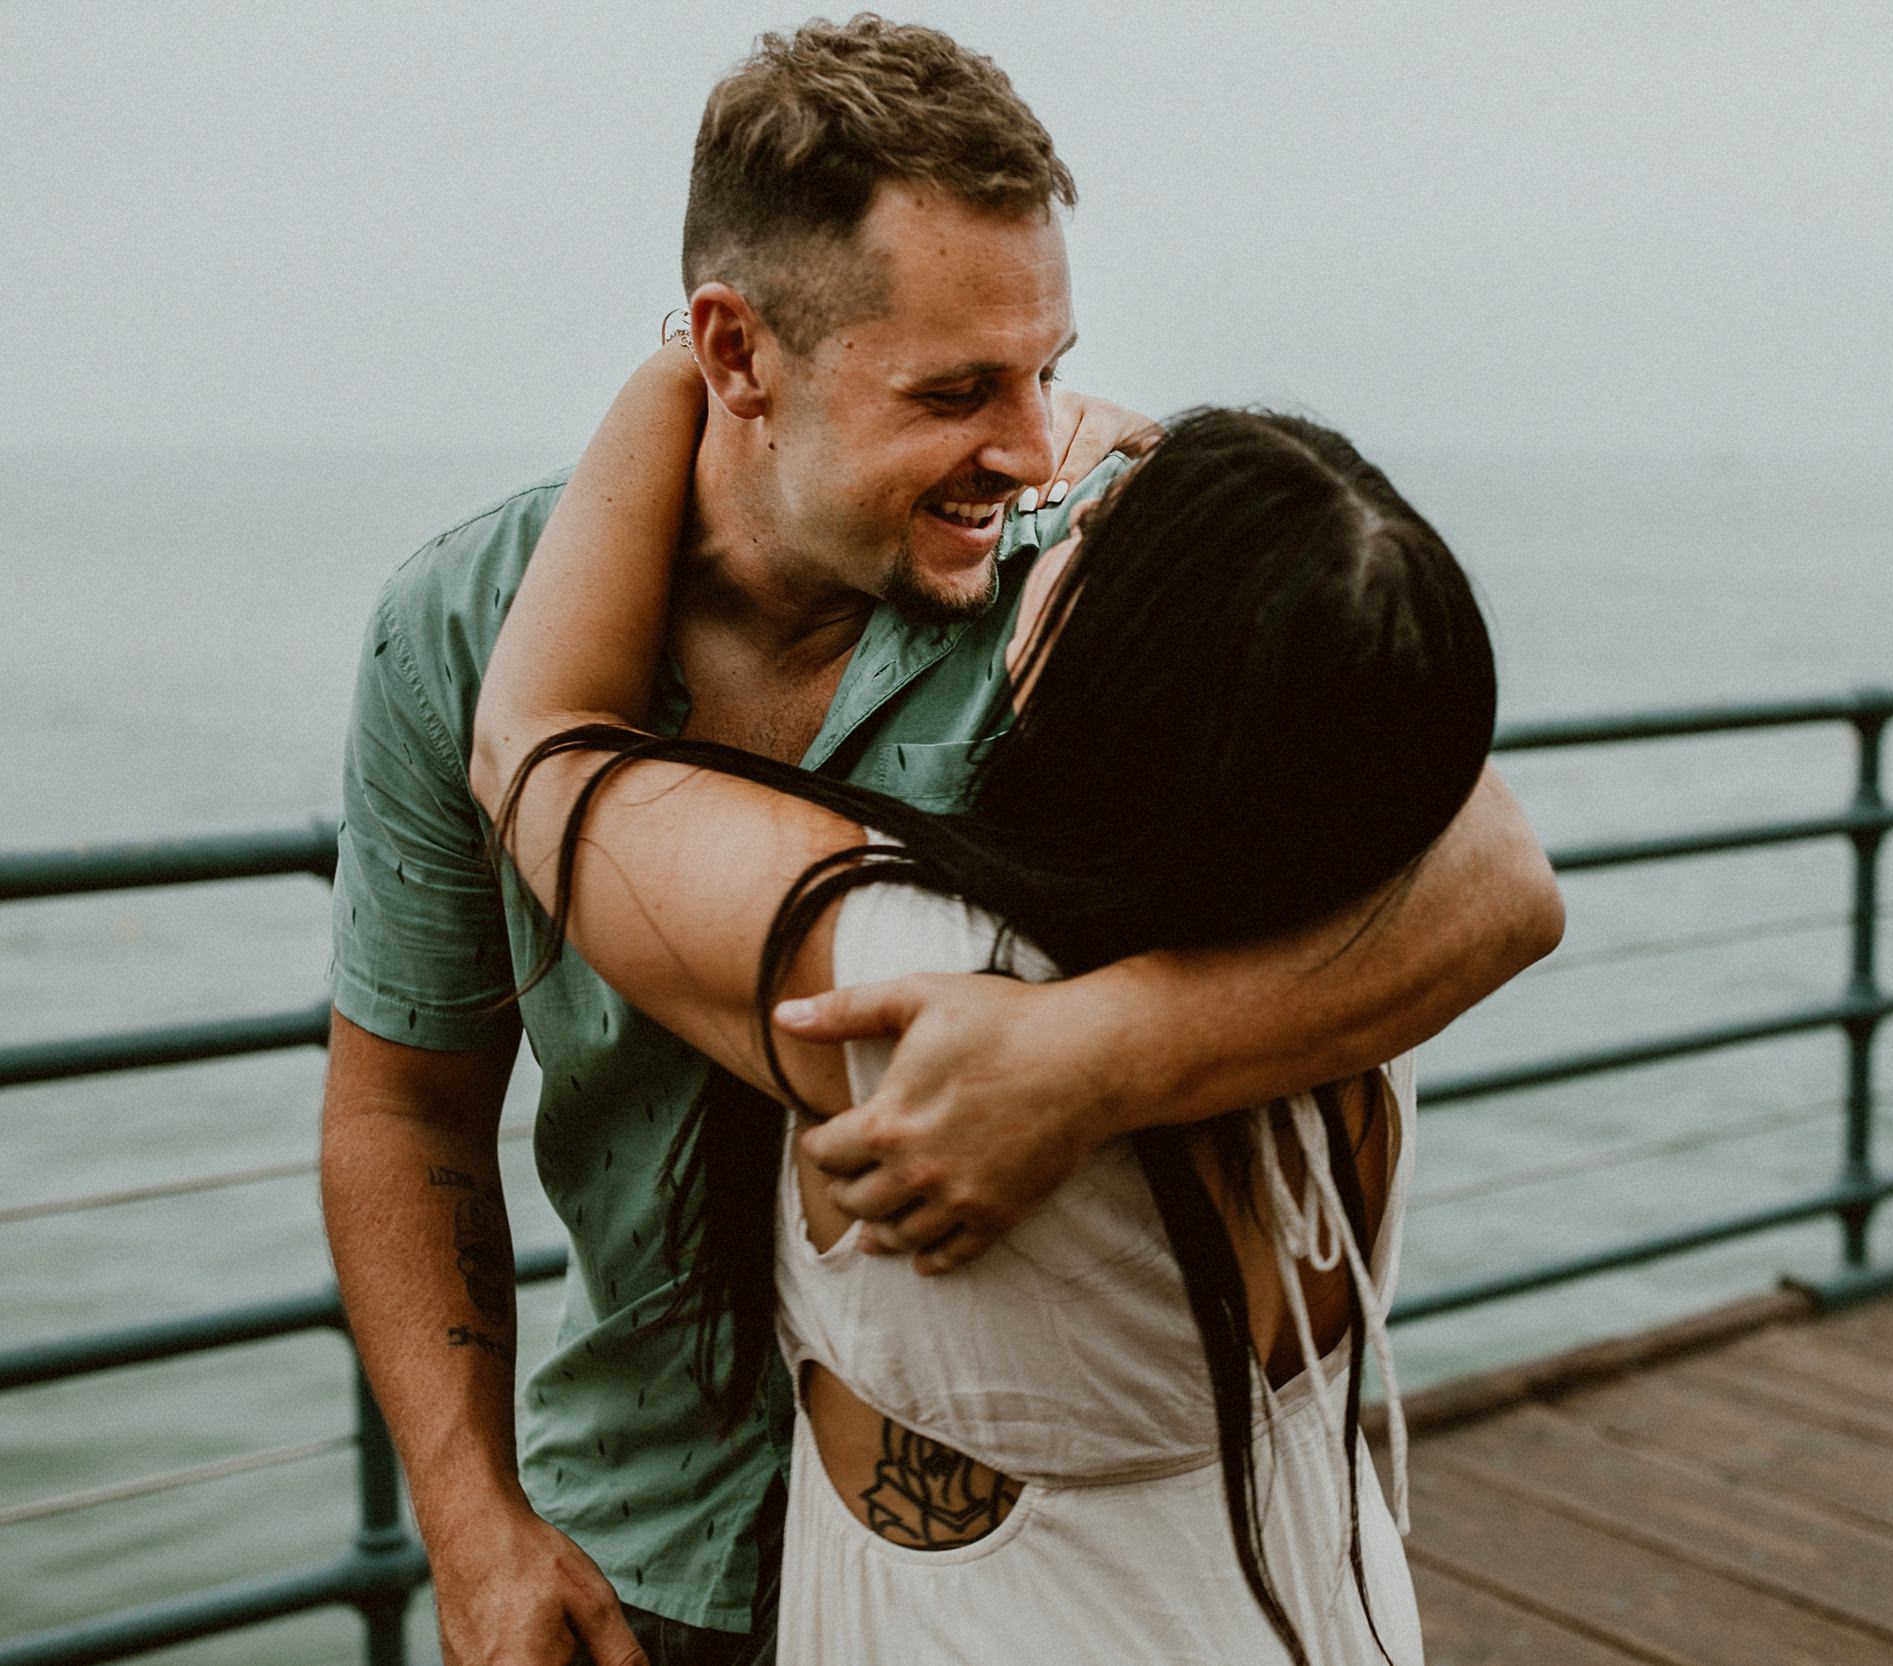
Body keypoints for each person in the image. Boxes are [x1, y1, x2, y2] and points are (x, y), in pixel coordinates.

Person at [320, 17, 1562, 1666]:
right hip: (633, 1545)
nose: (1039, 444)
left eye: (1049, 366)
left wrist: (1090, 1054)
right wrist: (471, 1527)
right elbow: (402, 1099)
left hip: (983, 1568)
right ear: (737, 354)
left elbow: (1489, 866)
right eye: (960, 388)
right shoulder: (456, 623)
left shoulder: (1102, 586)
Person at [469, 348, 1496, 1662]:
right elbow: (1480, 828)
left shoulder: (913, 977)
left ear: (1083, 645)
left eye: (1092, 532)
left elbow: (539, 743)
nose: (1050, 518)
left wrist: (690, 373)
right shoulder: (1367, 928)